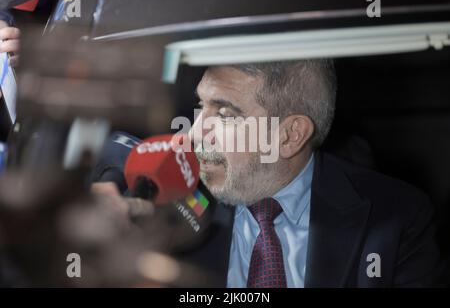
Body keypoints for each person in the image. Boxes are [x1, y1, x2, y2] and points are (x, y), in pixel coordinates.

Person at [94, 59, 445, 287]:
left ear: (290, 135)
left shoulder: (398, 218)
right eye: (201, 107)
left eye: (226, 115)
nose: (194, 134)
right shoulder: (165, 191)